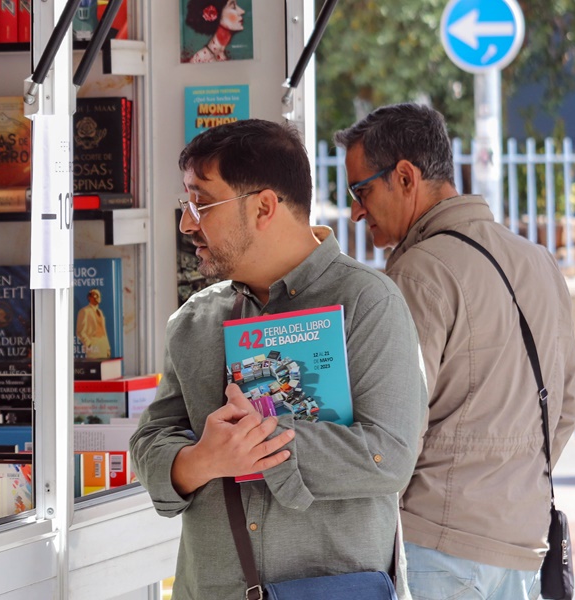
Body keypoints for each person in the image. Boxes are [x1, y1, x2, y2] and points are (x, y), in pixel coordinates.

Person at [130, 119, 427, 599]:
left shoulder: (369, 303)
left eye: (201, 203)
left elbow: (389, 455)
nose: (187, 222)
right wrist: (199, 460)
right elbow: (150, 440)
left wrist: (263, 444)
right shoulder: (194, 322)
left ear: (265, 207)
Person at [335, 103, 575, 600]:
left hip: (437, 550)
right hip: (524, 545)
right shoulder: (537, 261)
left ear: (405, 177)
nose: (356, 211)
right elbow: (566, 406)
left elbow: (396, 426)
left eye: (361, 190)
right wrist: (504, 484)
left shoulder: (418, 272)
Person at [75, 288, 111, 359]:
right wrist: (89, 344)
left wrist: (107, 347)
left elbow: (104, 331)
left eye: (98, 296)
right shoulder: (84, 311)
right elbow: (80, 331)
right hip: (93, 343)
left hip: (103, 343)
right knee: (94, 366)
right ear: (89, 297)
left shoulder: (100, 312)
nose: (97, 298)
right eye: (95, 295)